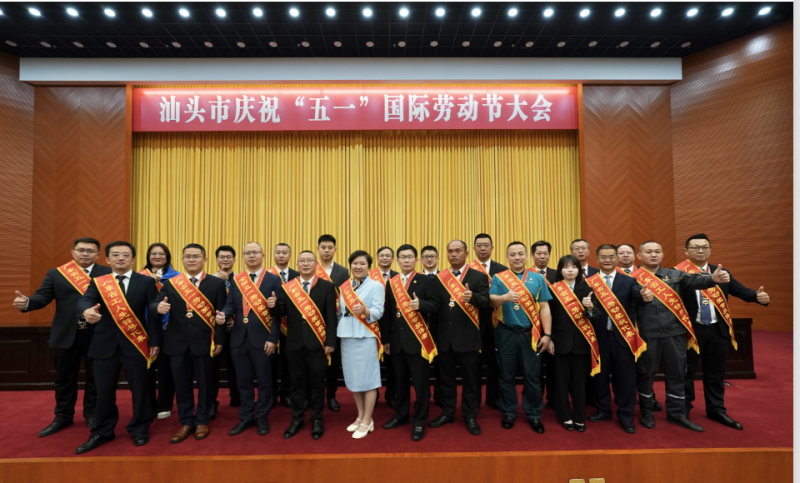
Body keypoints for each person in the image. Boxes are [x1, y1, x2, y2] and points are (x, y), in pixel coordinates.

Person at [13, 237, 111, 437]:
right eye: (81, 250)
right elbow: (42, 297)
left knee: (96, 378)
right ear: (73, 252)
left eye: (90, 251)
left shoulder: (108, 274)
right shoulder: (57, 274)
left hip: (98, 333)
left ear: (98, 255)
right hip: (66, 333)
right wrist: (27, 302)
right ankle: (63, 416)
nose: (85, 254)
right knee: (64, 378)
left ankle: (92, 413)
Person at [74, 241, 161, 453]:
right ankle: (102, 431)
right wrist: (86, 311)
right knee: (103, 390)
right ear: (107, 259)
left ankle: (140, 428)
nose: (121, 258)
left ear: (133, 259)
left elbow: (153, 312)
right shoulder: (99, 282)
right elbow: (84, 301)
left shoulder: (146, 282)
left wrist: (155, 341)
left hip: (136, 343)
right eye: (115, 254)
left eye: (125, 254)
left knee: (140, 389)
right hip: (104, 345)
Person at [634, 241, 729, 432]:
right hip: (647, 336)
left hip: (675, 334)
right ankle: (647, 412)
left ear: (662, 254)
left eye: (657, 251)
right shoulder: (631, 279)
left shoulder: (675, 275)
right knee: (645, 375)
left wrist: (712, 279)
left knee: (677, 375)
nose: (653, 255)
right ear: (639, 256)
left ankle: (677, 414)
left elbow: (695, 281)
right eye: (649, 251)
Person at [677, 233, 769, 430]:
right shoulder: (678, 273)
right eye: (695, 247)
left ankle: (716, 409)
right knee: (687, 372)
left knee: (716, 372)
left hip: (717, 330)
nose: (700, 250)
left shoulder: (722, 272)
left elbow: (740, 291)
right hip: (691, 331)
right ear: (686, 251)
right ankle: (683, 409)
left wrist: (757, 296)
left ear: (710, 250)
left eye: (705, 247)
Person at [150, 244, 227, 443]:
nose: (191, 260)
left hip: (205, 342)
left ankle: (202, 420)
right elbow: (153, 303)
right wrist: (158, 307)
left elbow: (221, 313)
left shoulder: (216, 283)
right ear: (182, 260)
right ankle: (186, 421)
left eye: (196, 256)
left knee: (205, 383)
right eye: (187, 256)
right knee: (182, 384)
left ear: (205, 260)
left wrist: (219, 340)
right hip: (176, 343)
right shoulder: (172, 283)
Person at [217, 242, 283, 437]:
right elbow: (231, 305)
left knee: (264, 381)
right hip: (238, 339)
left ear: (263, 255)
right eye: (247, 253)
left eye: (255, 252)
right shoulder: (237, 280)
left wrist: (273, 338)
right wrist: (224, 314)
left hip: (263, 339)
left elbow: (278, 313)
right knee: (243, 381)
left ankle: (262, 416)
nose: (251, 256)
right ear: (243, 257)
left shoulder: (273, 279)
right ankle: (246, 416)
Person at [426, 240, 490, 436]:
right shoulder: (439, 278)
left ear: (466, 253)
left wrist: (473, 298)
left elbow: (486, 302)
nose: (453, 254)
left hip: (469, 338)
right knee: (446, 380)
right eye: (450, 251)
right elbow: (435, 308)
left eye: (458, 251)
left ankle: (470, 416)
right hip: (444, 339)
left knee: (471, 381)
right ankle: (448, 413)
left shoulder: (478, 276)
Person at [489, 242, 552, 434]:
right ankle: (509, 411)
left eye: (520, 254)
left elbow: (544, 307)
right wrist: (505, 298)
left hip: (530, 334)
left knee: (532, 376)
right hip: (506, 333)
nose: (516, 257)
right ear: (507, 257)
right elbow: (491, 300)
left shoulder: (537, 278)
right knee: (505, 375)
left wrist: (547, 335)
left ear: (527, 256)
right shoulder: (499, 277)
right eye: (512, 254)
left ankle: (533, 413)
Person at [585, 244, 645, 434]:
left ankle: (626, 414)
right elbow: (585, 311)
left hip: (623, 338)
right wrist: (588, 309)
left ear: (617, 258)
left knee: (626, 378)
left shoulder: (629, 280)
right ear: (597, 259)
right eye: (603, 257)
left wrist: (644, 296)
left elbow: (637, 297)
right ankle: (603, 409)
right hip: (599, 337)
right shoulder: (589, 282)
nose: (608, 260)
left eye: (611, 256)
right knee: (600, 376)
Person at [380, 244, 436, 441]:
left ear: (416, 260)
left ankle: (419, 421)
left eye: (409, 257)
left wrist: (422, 305)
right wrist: (386, 340)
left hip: (418, 342)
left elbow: (435, 306)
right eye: (402, 257)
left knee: (421, 385)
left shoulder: (427, 280)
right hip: (396, 342)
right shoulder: (392, 283)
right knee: (400, 383)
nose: (406, 260)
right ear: (397, 260)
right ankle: (400, 416)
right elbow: (388, 313)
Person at [279, 250, 338, 440]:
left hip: (318, 345)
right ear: (297, 264)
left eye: (309, 260)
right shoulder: (288, 287)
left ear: (316, 264)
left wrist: (330, 342)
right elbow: (281, 312)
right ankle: (297, 419)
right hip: (294, 344)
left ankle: (317, 419)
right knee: (296, 385)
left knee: (317, 385)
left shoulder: (327, 286)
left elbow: (331, 317)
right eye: (302, 261)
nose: (305, 264)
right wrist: (273, 305)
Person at [546, 255, 597, 432]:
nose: (570, 270)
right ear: (560, 270)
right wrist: (550, 338)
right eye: (566, 267)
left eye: (573, 267)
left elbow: (595, 316)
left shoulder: (587, 289)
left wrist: (590, 308)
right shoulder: (553, 289)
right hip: (559, 342)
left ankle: (579, 417)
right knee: (561, 382)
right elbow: (548, 316)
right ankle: (565, 416)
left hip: (581, 343)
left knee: (579, 383)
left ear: (579, 270)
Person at [337, 250, 385, 439]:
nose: (358, 267)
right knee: (354, 379)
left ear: (369, 267)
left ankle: (367, 419)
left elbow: (379, 312)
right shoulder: (344, 286)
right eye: (355, 263)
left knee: (368, 379)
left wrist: (365, 310)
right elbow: (340, 312)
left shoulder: (376, 286)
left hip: (366, 337)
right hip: (347, 336)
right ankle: (360, 416)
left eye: (362, 264)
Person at [140, 243, 180, 421]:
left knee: (166, 370)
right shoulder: (138, 277)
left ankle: (164, 404)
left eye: (161, 253)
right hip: (142, 330)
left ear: (167, 256)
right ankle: (148, 405)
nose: (157, 256)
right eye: (153, 253)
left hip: (168, 330)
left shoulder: (177, 278)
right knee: (145, 370)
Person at [470, 233, 508, 412]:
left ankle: (493, 398)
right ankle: (474, 400)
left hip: (496, 323)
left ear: (492, 248)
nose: (483, 248)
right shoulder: (468, 270)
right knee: (474, 365)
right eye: (479, 245)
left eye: (486, 245)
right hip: (474, 323)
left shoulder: (502, 270)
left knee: (495, 364)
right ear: (474, 249)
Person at [316, 234, 350, 412]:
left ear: (335, 250)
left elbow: (346, 297)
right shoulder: (310, 268)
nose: (326, 250)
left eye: (330, 248)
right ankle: (314, 396)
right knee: (314, 362)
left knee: (333, 363)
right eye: (323, 247)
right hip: (313, 322)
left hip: (335, 323)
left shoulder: (342, 272)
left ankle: (331, 396)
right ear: (318, 249)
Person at [268, 243, 300, 409]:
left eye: (284, 252)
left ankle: (287, 393)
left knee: (289, 363)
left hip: (292, 327)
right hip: (271, 325)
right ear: (273, 255)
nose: (281, 255)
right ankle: (272, 394)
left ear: (290, 256)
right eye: (278, 252)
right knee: (271, 363)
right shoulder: (266, 275)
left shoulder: (298, 275)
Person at [210, 245, 240, 416]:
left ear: (234, 260)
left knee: (236, 367)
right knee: (212, 369)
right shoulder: (208, 280)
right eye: (222, 257)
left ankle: (237, 397)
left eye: (229, 257)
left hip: (235, 330)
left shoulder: (242, 281)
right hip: (214, 332)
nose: (225, 260)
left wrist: (235, 321)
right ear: (216, 260)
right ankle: (211, 403)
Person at [528, 240, 557, 409]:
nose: (542, 256)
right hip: (531, 329)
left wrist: (550, 334)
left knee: (554, 368)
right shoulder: (525, 276)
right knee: (535, 369)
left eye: (545, 253)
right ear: (532, 255)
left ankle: (553, 399)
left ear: (549, 255)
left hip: (553, 329)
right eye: (538, 253)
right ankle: (536, 401)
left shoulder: (558, 275)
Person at [370, 246, 399, 409]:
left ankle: (390, 394)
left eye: (388, 255)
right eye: (382, 255)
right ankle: (373, 395)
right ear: (377, 258)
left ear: (393, 259)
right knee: (371, 362)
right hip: (372, 324)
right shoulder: (368, 277)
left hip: (393, 326)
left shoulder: (398, 277)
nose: (385, 258)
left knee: (392, 364)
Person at [420, 245, 442, 406]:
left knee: (441, 365)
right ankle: (423, 396)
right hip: (419, 328)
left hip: (440, 327)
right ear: (420, 260)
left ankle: (440, 396)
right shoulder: (416, 279)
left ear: (438, 258)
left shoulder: (445, 278)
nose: (429, 259)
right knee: (421, 366)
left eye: (432, 256)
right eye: (426, 256)